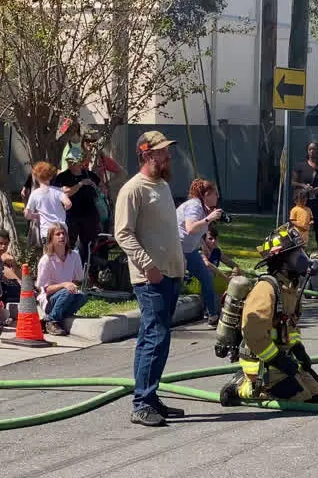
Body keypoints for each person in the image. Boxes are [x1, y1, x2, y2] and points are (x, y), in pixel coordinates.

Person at [114, 130, 187, 427]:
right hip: (150, 279)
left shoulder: (163, 186)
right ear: (146, 155)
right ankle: (141, 403)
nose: (168, 156)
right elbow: (123, 233)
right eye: (162, 152)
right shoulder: (133, 190)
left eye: (167, 151)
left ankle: (151, 396)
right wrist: (148, 265)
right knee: (155, 339)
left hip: (171, 274)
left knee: (155, 338)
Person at [218, 224, 318, 407]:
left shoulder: (289, 288)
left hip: (281, 357)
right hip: (261, 360)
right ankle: (242, 386)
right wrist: (277, 359)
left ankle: (265, 382)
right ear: (282, 260)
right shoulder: (266, 290)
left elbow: (290, 325)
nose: (302, 259)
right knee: (301, 397)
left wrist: (298, 349)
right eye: (296, 254)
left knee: (314, 393)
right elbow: (253, 334)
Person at [175, 178, 224, 326]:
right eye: (215, 193)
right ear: (207, 194)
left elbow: (198, 233)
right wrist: (209, 218)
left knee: (207, 277)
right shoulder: (194, 206)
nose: (218, 197)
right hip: (177, 250)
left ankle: (213, 315)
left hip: (189, 250)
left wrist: (203, 246)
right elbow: (191, 228)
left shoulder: (201, 208)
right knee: (175, 284)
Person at [35, 223, 88, 336]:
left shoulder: (74, 256)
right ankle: (52, 321)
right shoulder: (46, 260)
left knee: (82, 297)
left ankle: (48, 319)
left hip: (66, 293)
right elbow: (45, 290)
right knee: (66, 293)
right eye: (57, 234)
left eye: (63, 234)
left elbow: (77, 279)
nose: (61, 237)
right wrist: (64, 284)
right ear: (51, 239)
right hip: (50, 298)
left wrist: (72, 286)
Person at [52, 158, 102, 262]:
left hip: (90, 217)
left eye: (74, 161)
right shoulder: (62, 177)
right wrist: (81, 184)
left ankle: (87, 271)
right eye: (69, 161)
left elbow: (101, 188)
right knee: (68, 243)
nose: (71, 164)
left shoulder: (90, 175)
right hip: (71, 217)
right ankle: (67, 267)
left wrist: (98, 188)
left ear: (80, 162)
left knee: (88, 246)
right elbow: (65, 193)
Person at [291, 141, 318, 253]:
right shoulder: (300, 166)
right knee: (301, 226)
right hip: (303, 202)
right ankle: (298, 251)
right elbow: (293, 182)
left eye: (314, 149)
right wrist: (304, 186)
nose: (311, 151)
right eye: (309, 149)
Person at [24, 161, 68, 248]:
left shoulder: (35, 194)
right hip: (61, 231)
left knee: (49, 257)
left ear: (36, 177)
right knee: (62, 256)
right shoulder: (58, 191)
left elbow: (27, 215)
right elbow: (68, 204)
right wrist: (62, 211)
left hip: (47, 232)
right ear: (51, 176)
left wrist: (35, 216)